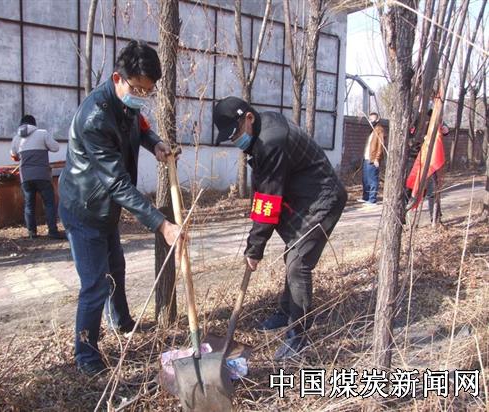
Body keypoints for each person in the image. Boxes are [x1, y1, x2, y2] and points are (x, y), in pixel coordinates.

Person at [58, 40, 181, 375]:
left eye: (148, 91)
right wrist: (161, 224)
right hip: (85, 209)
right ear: (117, 78)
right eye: (138, 88)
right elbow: (117, 183)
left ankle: (122, 322)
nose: (142, 95)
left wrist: (156, 143)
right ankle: (86, 356)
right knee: (95, 284)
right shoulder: (95, 118)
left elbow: (139, 127)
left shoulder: (127, 104)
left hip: (106, 206)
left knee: (117, 268)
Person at [213, 97, 347, 361]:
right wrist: (255, 242)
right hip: (304, 200)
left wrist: (255, 248)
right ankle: (285, 313)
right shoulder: (261, 133)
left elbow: (269, 198)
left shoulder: (271, 140)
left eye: (236, 134)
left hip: (324, 200)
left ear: (248, 118)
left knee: (298, 262)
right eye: (231, 138)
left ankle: (298, 335)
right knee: (293, 255)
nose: (235, 141)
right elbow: (264, 193)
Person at [10, 115, 65, 239]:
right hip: (42, 175)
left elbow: (13, 156)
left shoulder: (17, 138)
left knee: (29, 205)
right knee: (49, 203)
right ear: (34, 124)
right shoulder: (42, 133)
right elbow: (55, 148)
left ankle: (32, 233)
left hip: (25, 177)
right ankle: (52, 231)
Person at [358, 112, 384, 205]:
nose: (371, 121)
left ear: (377, 119)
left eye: (373, 119)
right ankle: (366, 197)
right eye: (370, 119)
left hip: (373, 159)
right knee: (365, 179)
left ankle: (372, 199)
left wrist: (377, 158)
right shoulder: (371, 130)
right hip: (366, 158)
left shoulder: (379, 130)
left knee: (372, 179)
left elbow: (381, 145)